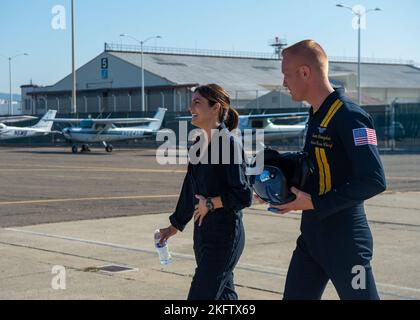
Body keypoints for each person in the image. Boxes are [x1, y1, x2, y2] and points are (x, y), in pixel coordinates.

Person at [257, 40, 387, 300]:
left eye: (286, 75)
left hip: (346, 241)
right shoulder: (316, 113)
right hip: (312, 238)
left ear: (305, 73)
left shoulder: (351, 116)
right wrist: (277, 181)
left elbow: (374, 180)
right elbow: (315, 163)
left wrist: (316, 202)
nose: (284, 83)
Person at [158, 84, 253, 300]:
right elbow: (190, 187)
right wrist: (175, 225)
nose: (190, 106)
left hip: (225, 235)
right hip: (203, 234)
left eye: (197, 102)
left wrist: (210, 204)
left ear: (215, 108)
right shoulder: (197, 145)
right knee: (224, 298)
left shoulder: (228, 144)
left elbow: (243, 195)